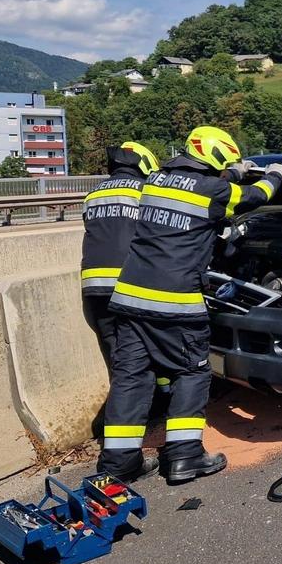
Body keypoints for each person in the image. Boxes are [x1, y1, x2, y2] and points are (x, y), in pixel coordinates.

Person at [98, 126, 282, 484]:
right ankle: (184, 457)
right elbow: (254, 197)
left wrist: (234, 171)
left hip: (130, 300)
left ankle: (119, 465)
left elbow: (196, 188)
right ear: (214, 159)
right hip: (176, 304)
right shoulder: (214, 191)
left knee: (131, 379)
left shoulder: (153, 181)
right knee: (192, 372)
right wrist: (274, 174)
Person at [80, 142, 166, 440]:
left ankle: (117, 427)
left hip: (93, 287)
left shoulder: (93, 194)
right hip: (129, 284)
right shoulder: (145, 192)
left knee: (117, 357)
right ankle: (137, 424)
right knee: (140, 357)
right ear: (144, 165)